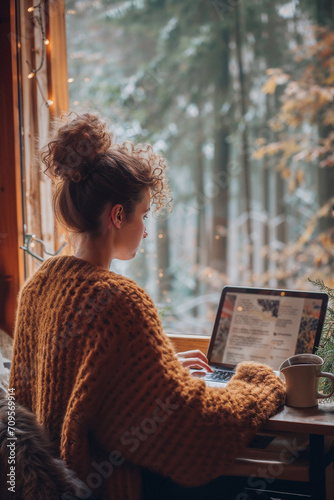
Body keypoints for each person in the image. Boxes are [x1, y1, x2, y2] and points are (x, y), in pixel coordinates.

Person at [9, 113, 285, 500]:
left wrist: (164, 373)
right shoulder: (119, 300)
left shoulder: (37, 285)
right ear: (118, 216)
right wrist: (260, 383)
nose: (147, 229)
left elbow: (88, 387)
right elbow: (197, 435)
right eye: (144, 215)